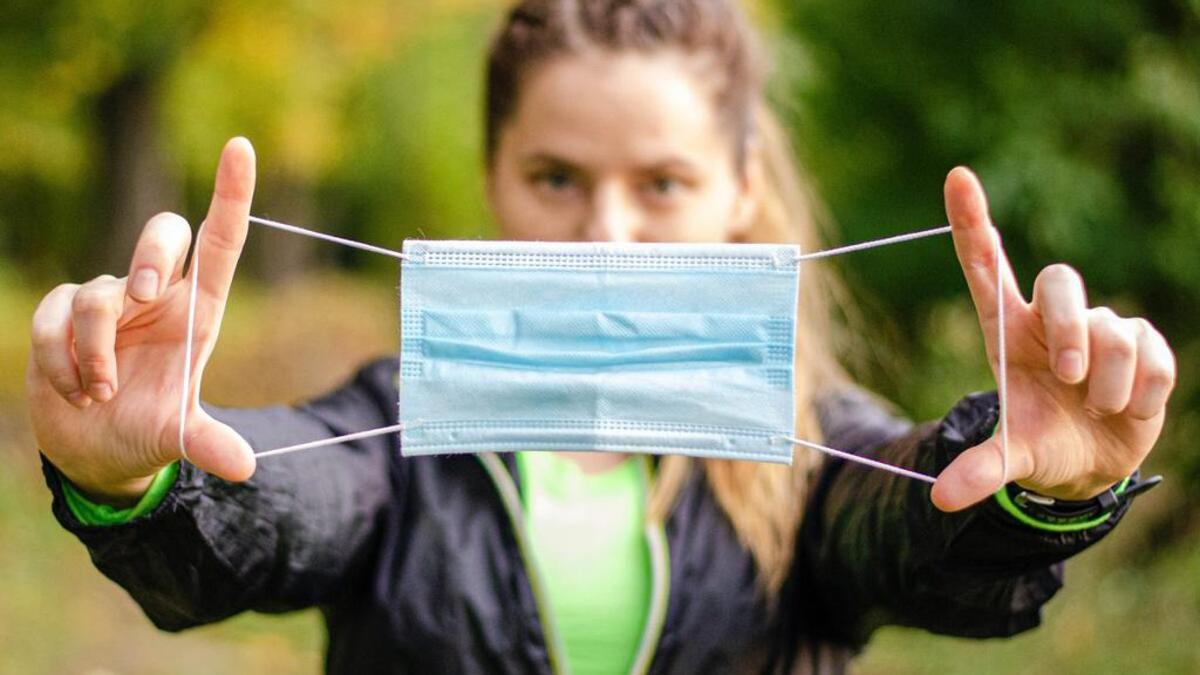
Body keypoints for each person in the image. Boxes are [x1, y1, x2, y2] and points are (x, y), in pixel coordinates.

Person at [27, 0, 1176, 673]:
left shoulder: (817, 453)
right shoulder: (397, 420)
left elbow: (922, 540)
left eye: (664, 182)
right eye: (557, 176)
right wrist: (140, 473)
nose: (611, 229)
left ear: (738, 191)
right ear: (492, 179)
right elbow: (282, 504)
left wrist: (1044, 493)